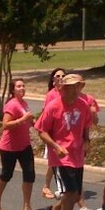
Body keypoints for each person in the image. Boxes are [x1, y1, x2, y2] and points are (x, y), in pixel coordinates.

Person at [35, 73, 92, 210]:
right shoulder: (53, 106)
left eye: (78, 86)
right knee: (71, 193)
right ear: (64, 88)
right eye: (72, 87)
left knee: (74, 196)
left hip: (77, 156)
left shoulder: (83, 105)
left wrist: (87, 141)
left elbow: (86, 127)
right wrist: (56, 146)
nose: (76, 90)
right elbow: (41, 131)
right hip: (60, 157)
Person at [0, 78, 39, 210]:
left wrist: (35, 122)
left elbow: (28, 121)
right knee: (6, 175)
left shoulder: (24, 103)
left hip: (24, 145)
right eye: (19, 86)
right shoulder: (11, 105)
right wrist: (22, 119)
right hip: (9, 147)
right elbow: (5, 125)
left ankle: (27, 206)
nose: (22, 88)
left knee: (29, 174)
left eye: (23, 86)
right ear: (13, 90)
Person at [77, 81, 100, 210]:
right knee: (73, 185)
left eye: (79, 84)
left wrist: (92, 113)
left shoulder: (88, 100)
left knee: (74, 183)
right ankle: (82, 208)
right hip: (62, 149)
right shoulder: (60, 100)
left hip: (79, 146)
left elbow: (94, 123)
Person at [41, 67, 66, 199]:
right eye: (58, 76)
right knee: (55, 162)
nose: (60, 78)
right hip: (53, 134)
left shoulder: (67, 93)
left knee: (54, 162)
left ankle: (47, 186)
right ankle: (59, 189)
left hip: (64, 134)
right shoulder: (51, 95)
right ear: (53, 79)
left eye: (63, 76)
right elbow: (46, 114)